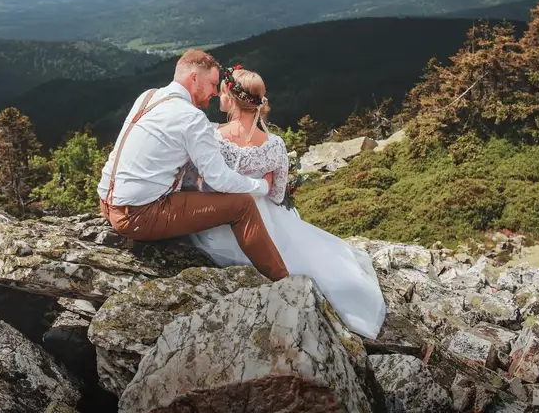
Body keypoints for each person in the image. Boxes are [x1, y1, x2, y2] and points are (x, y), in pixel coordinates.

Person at [187, 66, 386, 339]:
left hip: (219, 223)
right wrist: (262, 183)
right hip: (264, 220)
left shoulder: (211, 135)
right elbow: (277, 195)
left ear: (231, 99)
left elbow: (201, 182)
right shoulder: (275, 145)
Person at [96, 49, 289, 281]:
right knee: (242, 205)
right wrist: (261, 186)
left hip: (106, 201)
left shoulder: (149, 96)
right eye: (212, 84)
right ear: (194, 78)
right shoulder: (192, 117)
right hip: (137, 215)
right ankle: (284, 281)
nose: (216, 93)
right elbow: (218, 178)